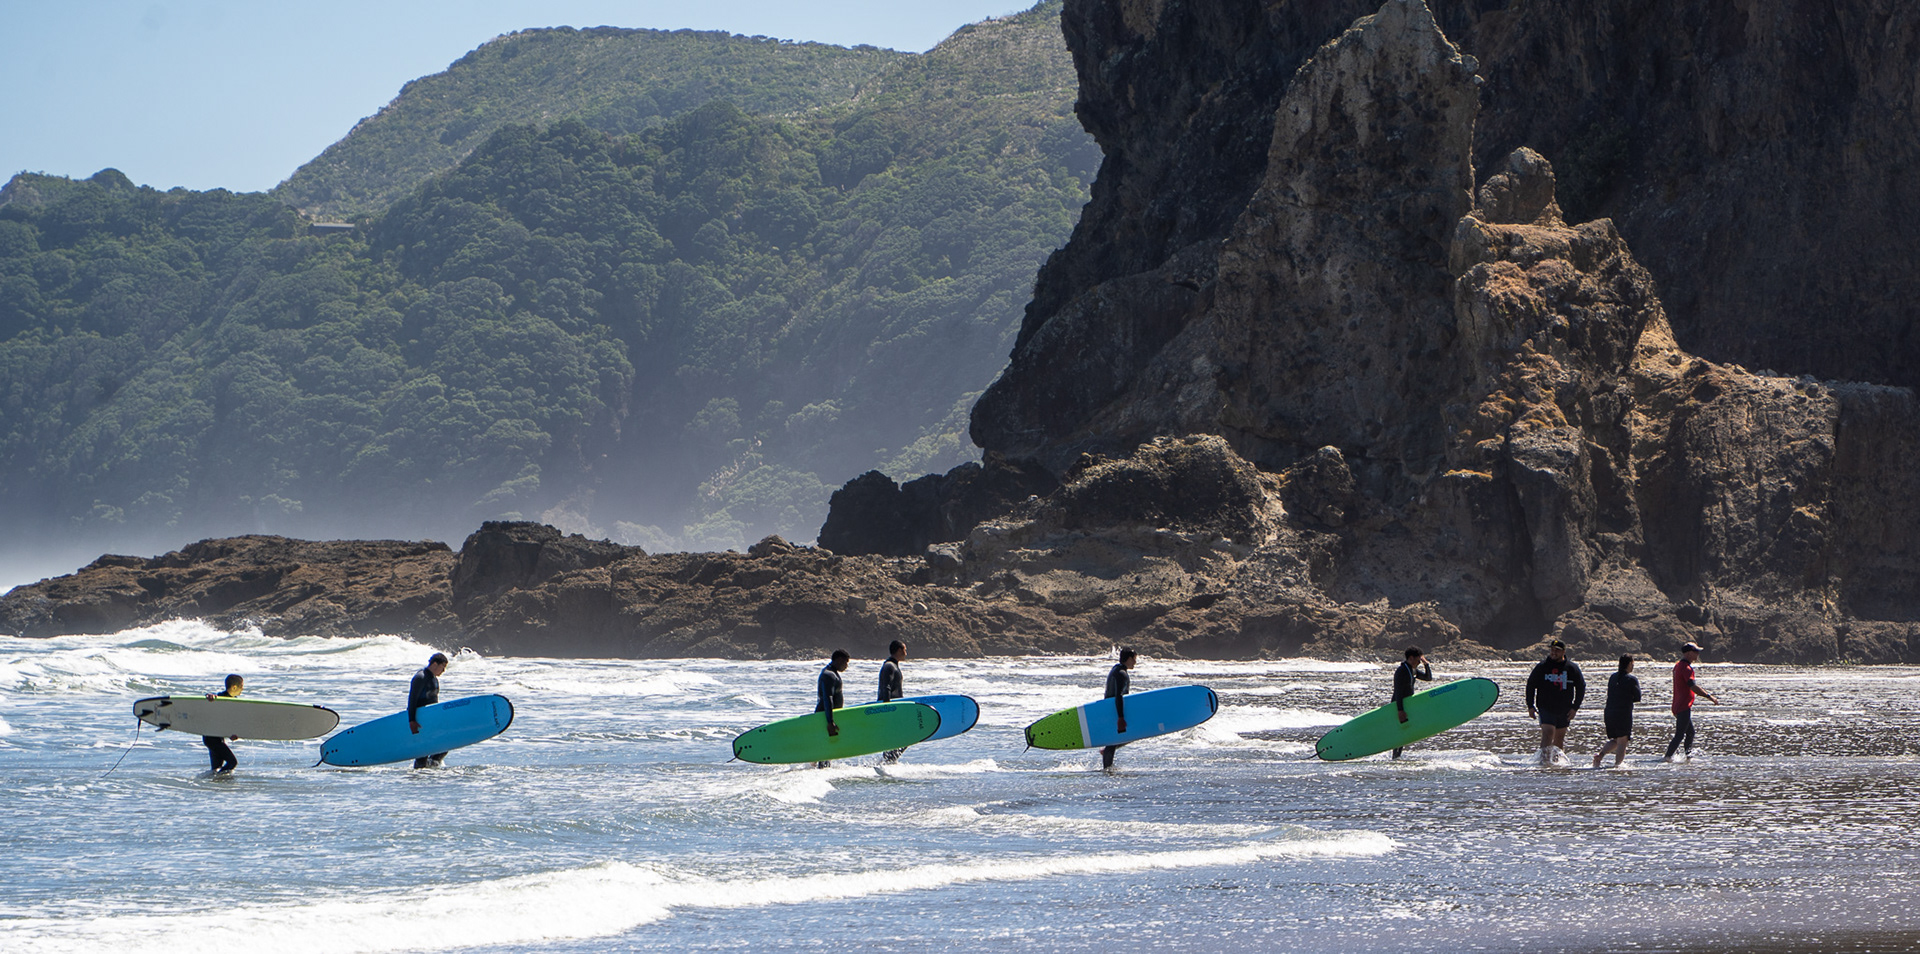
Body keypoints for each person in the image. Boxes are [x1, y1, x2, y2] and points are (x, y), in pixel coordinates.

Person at [1525, 639, 1586, 765]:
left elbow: (1581, 687)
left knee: (1559, 737)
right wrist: (1530, 706)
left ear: (1563, 652)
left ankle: (1557, 764)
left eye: (1557, 651)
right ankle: (1544, 762)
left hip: (1564, 708)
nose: (1553, 653)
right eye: (1552, 650)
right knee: (1548, 732)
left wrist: (1575, 708)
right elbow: (1530, 685)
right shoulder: (1542, 667)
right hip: (1545, 706)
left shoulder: (1571, 668)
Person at [1665, 642, 1720, 762]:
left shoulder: (1678, 665)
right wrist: (1710, 697)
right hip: (1683, 706)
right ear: (1689, 653)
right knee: (1680, 734)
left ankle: (1687, 757)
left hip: (1678, 704)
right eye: (1696, 652)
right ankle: (1668, 757)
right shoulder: (1686, 668)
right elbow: (1693, 687)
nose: (1698, 654)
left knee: (1690, 732)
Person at [1593, 655, 1642, 768]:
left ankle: (1600, 756)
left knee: (1615, 740)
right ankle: (1618, 766)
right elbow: (1638, 697)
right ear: (1629, 664)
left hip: (1609, 712)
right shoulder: (1631, 679)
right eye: (1632, 664)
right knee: (1622, 741)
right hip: (1623, 713)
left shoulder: (1613, 677)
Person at [408, 652, 449, 769]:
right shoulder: (420, 677)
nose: (443, 671)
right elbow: (412, 699)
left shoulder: (433, 679)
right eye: (443, 667)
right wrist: (412, 720)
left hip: (431, 718)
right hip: (421, 719)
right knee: (423, 752)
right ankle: (420, 775)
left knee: (443, 747)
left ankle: (430, 770)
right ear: (435, 664)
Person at [1390, 647, 1433, 760]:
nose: (1419, 662)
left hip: (1407, 705)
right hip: (1399, 705)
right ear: (1411, 658)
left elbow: (1428, 678)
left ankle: (1397, 757)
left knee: (1404, 732)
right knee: (1400, 732)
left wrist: (1426, 665)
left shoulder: (1412, 670)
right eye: (1418, 660)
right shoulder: (1402, 671)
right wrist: (1400, 710)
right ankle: (1395, 757)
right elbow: (1398, 691)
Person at [1100, 648, 1138, 771]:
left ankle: (1107, 766)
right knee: (1114, 740)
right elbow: (1119, 696)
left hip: (1109, 708)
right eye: (1134, 659)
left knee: (1115, 740)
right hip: (1115, 710)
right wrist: (1120, 717)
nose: (1135, 663)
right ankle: (1107, 769)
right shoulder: (1122, 674)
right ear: (1129, 658)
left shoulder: (1116, 669)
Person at [201, 673, 244, 773]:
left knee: (216, 768)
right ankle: (216, 780)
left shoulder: (234, 702)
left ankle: (215, 784)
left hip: (216, 738)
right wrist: (209, 697)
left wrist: (231, 733)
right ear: (234, 687)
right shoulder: (219, 698)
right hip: (211, 738)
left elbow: (226, 720)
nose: (242, 689)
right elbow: (209, 700)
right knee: (232, 762)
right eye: (241, 687)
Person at [815, 649, 850, 768]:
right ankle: (821, 770)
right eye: (846, 662)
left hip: (829, 716)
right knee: (826, 749)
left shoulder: (832, 673)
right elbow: (827, 698)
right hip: (824, 716)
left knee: (828, 750)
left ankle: (822, 768)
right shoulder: (828, 675)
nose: (846, 666)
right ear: (839, 660)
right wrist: (830, 722)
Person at [877, 640, 907, 763]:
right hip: (891, 708)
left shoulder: (893, 666)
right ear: (899, 650)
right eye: (905, 650)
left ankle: (888, 760)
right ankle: (887, 760)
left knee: (899, 736)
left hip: (895, 707)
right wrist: (887, 708)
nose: (906, 653)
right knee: (903, 735)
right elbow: (886, 687)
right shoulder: (889, 666)